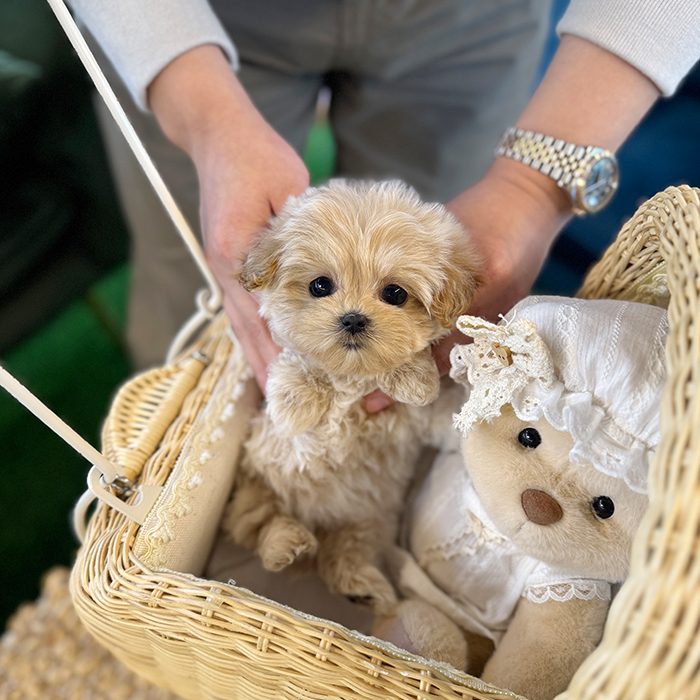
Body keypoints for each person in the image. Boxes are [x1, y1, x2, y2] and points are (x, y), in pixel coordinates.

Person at [69, 0, 699, 412]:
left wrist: (531, 188)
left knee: (449, 337)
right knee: (201, 294)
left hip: (475, 23)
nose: (353, 314)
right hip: (194, 14)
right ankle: (176, 484)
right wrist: (206, 118)